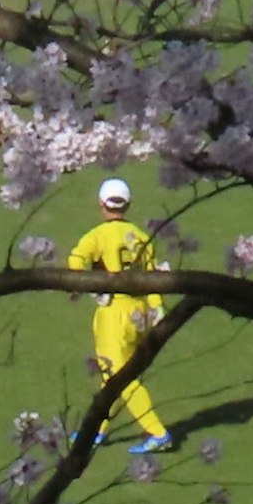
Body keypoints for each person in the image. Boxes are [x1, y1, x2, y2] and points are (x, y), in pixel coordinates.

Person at [67, 176, 177, 462]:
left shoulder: (98, 236)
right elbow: (154, 278)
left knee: (120, 378)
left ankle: (157, 433)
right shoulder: (141, 236)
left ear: (101, 204)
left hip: (113, 313)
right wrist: (158, 310)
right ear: (128, 204)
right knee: (112, 375)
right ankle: (95, 431)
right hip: (139, 312)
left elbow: (75, 262)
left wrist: (96, 288)